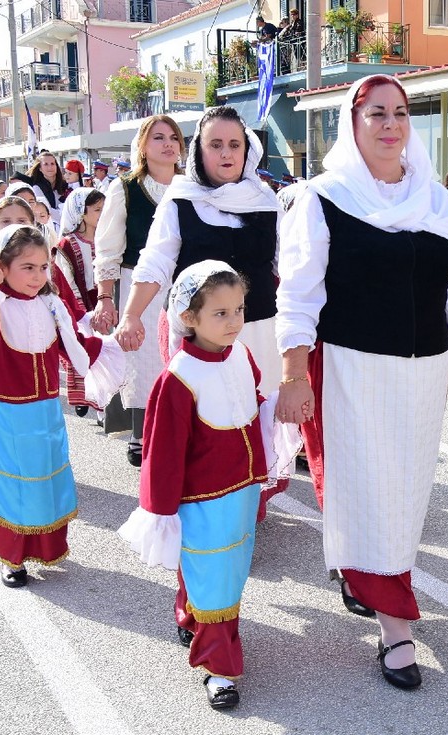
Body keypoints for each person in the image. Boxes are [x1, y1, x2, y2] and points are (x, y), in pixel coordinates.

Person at [274, 74, 448, 690]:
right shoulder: (321, 198)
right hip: (348, 367)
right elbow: (298, 294)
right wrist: (294, 374)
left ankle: (364, 571)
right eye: (377, 113)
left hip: (423, 373)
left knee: (400, 495)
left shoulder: (435, 201)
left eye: (400, 113)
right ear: (353, 122)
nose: (391, 124)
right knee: (364, 490)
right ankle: (395, 626)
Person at [118, 261, 299, 710]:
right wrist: (159, 513)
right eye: (220, 313)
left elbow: (249, 400)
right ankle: (218, 666)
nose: (235, 321)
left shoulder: (239, 353)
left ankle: (189, 612)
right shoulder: (178, 379)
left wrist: (279, 406)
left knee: (225, 569)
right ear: (188, 317)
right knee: (216, 577)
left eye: (239, 309)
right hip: (201, 500)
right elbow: (161, 454)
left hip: (240, 492)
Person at [0, 225, 123, 588]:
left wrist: (108, 350)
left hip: (45, 408)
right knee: (8, 486)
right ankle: (11, 556)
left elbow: (73, 344)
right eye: (27, 267)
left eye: (43, 267)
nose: (37, 276)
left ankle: (45, 548)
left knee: (44, 481)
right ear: (2, 266)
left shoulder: (50, 303)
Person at [116, 107, 284, 519]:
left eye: (234, 145)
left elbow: (288, 266)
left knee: (252, 416)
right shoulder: (180, 199)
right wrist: (131, 314)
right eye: (215, 145)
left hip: (258, 330)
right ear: (198, 151)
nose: (226, 154)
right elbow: (155, 262)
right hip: (200, 341)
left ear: (248, 150)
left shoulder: (266, 200)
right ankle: (202, 505)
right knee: (206, 421)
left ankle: (248, 501)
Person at [93, 114, 185, 467]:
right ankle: (142, 431)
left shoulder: (192, 186)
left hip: (185, 283)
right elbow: (108, 247)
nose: (168, 144)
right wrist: (105, 297)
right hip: (139, 281)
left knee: (182, 357)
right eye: (158, 137)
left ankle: (181, 429)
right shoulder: (125, 188)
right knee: (144, 358)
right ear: (143, 147)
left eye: (173, 137)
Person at [53, 187, 106, 419]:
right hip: (82, 305)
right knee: (83, 349)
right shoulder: (67, 244)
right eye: (97, 210)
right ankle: (84, 397)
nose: (103, 215)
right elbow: (66, 278)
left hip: (105, 303)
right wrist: (81, 311)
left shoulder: (109, 238)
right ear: (81, 213)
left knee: (105, 353)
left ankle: (106, 402)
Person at [27, 152, 68, 226]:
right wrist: (65, 218)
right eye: (46, 164)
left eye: (52, 164)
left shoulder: (65, 184)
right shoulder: (36, 187)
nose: (50, 167)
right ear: (40, 168)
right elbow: (46, 209)